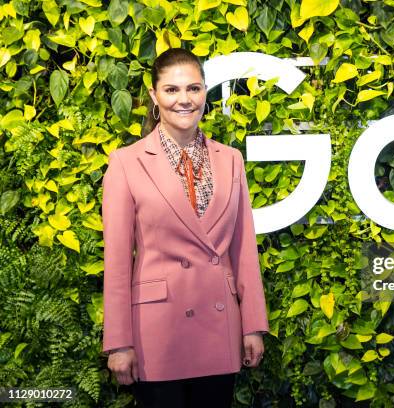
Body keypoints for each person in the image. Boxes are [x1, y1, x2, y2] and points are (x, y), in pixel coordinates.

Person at [101, 48, 269, 408]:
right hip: (157, 331)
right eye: (172, 90)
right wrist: (119, 342)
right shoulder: (126, 162)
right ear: (154, 96)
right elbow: (116, 262)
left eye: (193, 89)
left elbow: (243, 248)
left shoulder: (232, 159)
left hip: (218, 326)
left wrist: (253, 324)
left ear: (205, 93)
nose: (184, 100)